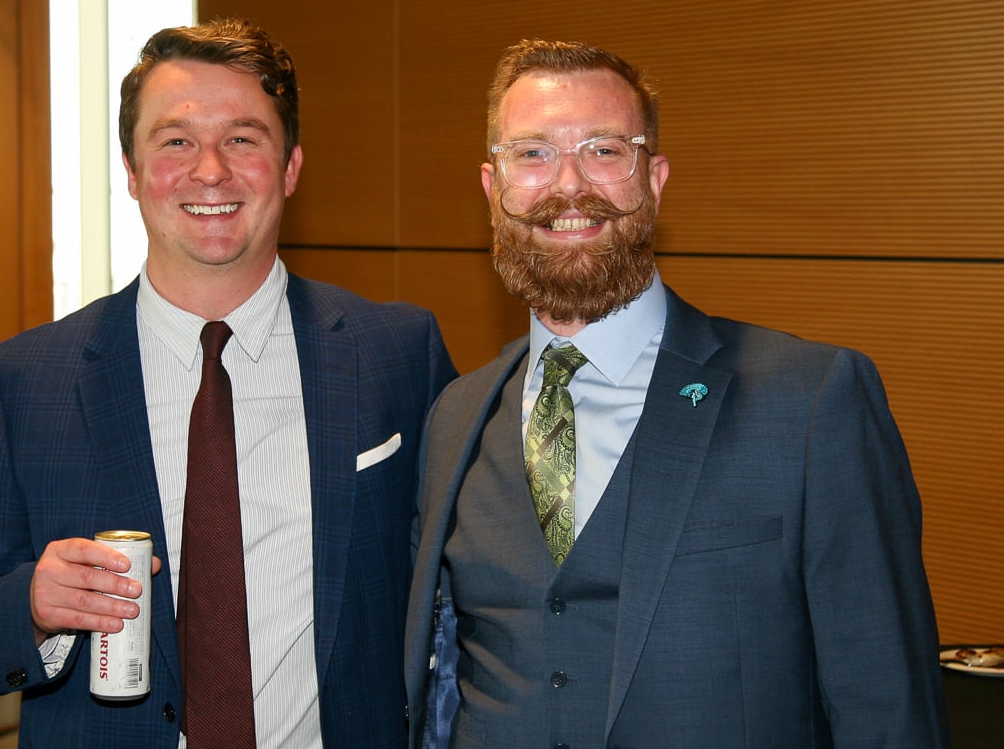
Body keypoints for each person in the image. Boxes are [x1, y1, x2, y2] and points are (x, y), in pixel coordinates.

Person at [0, 17, 457, 748]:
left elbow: (471, 586)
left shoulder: (397, 355)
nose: (210, 171)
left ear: (291, 166)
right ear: (132, 172)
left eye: (243, 138)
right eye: (175, 142)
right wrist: (32, 607)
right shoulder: (28, 381)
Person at [404, 39, 948, 748]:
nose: (568, 185)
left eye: (604, 150)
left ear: (654, 180)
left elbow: (889, 705)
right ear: (492, 187)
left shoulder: (812, 401)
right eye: (532, 154)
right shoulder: (456, 416)